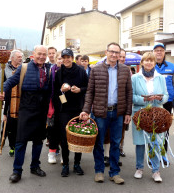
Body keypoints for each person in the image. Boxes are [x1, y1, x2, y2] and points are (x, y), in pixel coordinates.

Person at [80, 42, 132, 185]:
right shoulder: (96, 70)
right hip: (100, 112)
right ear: (106, 52)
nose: (114, 55)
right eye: (112, 52)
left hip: (118, 112)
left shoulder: (125, 70)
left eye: (117, 52)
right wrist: (86, 110)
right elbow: (90, 92)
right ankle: (99, 171)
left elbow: (129, 92)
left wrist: (128, 112)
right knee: (99, 143)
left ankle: (114, 173)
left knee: (116, 143)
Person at [0, 45, 52, 183]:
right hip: (26, 109)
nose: (41, 56)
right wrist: (3, 91)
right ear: (34, 54)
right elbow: (10, 81)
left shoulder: (50, 70)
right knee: (21, 142)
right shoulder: (24, 68)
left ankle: (35, 166)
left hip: (41, 110)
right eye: (39, 54)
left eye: (44, 54)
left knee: (38, 141)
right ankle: (17, 171)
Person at [131, 52, 168, 183]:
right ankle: (139, 168)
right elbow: (132, 97)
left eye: (151, 60)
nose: (149, 63)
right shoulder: (135, 78)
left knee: (155, 142)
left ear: (154, 62)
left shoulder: (160, 78)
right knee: (140, 143)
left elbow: (166, 95)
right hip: (140, 114)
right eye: (146, 60)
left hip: (157, 114)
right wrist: (144, 99)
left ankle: (155, 171)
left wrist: (161, 98)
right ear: (142, 62)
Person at [54, 48, 88, 177]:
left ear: (72, 58)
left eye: (68, 57)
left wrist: (79, 90)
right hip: (64, 110)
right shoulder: (59, 72)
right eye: (64, 57)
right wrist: (62, 90)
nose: (66, 59)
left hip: (78, 108)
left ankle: (77, 164)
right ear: (61, 59)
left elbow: (88, 87)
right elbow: (56, 91)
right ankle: (65, 164)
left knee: (78, 136)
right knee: (64, 137)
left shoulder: (80, 71)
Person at [153, 43, 174, 159]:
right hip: (153, 102)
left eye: (161, 50)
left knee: (165, 129)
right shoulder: (149, 65)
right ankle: (153, 155)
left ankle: (163, 154)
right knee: (153, 128)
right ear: (153, 52)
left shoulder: (171, 66)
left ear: (164, 53)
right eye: (157, 50)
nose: (159, 52)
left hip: (168, 102)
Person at [0, 50, 23, 157]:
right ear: (12, 58)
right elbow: (1, 83)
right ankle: (12, 146)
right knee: (10, 125)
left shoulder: (24, 68)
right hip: (9, 100)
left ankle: (18, 146)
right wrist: (0, 92)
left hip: (21, 100)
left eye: (21, 56)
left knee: (20, 126)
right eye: (18, 56)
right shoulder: (5, 69)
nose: (20, 58)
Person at [47, 51, 63, 164]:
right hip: (53, 104)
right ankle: (52, 153)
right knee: (52, 130)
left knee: (64, 131)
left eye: (64, 58)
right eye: (59, 58)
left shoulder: (70, 71)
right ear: (56, 59)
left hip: (66, 106)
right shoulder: (51, 71)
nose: (61, 60)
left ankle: (64, 154)